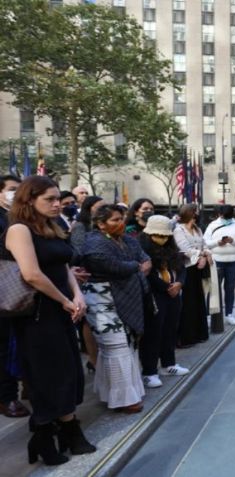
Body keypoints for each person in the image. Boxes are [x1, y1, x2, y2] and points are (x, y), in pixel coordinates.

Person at [4, 176, 95, 465]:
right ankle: (51, 434)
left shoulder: (52, 226)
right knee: (47, 375)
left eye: (58, 198)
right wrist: (66, 300)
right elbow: (31, 274)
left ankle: (61, 431)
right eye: (50, 199)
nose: (57, 204)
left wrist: (77, 295)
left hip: (63, 309)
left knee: (69, 371)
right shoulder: (19, 229)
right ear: (29, 200)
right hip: (37, 313)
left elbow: (64, 265)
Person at [82, 204, 150, 413]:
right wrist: (136, 266)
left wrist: (138, 264)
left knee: (126, 345)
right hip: (101, 300)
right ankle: (123, 399)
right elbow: (114, 265)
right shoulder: (93, 243)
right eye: (114, 220)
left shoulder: (127, 239)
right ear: (100, 224)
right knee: (115, 346)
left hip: (126, 297)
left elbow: (145, 258)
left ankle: (114, 392)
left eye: (121, 219)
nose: (120, 223)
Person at [139, 215, 189, 388]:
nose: (162, 239)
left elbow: (182, 268)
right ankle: (149, 371)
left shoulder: (172, 248)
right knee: (153, 333)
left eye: (165, 236)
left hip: (174, 294)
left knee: (170, 329)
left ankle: (169, 364)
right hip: (155, 295)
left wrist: (179, 283)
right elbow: (149, 275)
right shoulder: (142, 249)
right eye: (158, 235)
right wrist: (167, 287)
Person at [0, 174, 30, 419]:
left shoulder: (19, 218)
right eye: (11, 189)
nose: (15, 193)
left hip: (22, 290)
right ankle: (7, 397)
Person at [69, 195, 105, 373]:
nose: (102, 209)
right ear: (89, 208)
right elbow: (78, 251)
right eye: (99, 207)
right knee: (89, 321)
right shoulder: (80, 227)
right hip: (85, 276)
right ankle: (93, 359)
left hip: (102, 277)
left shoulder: (101, 225)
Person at [204, 205, 235, 325]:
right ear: (219, 214)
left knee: (230, 288)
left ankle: (229, 314)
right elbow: (205, 243)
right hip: (216, 261)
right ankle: (209, 315)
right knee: (214, 288)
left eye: (228, 217)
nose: (226, 219)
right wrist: (217, 243)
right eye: (224, 216)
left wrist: (232, 241)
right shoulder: (212, 225)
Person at [173, 204, 211, 347]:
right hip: (186, 268)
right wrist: (201, 256)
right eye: (195, 211)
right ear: (190, 213)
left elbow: (205, 245)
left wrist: (205, 254)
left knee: (198, 300)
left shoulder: (197, 229)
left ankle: (200, 333)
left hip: (197, 270)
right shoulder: (179, 230)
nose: (197, 214)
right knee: (188, 303)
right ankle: (187, 337)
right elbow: (184, 249)